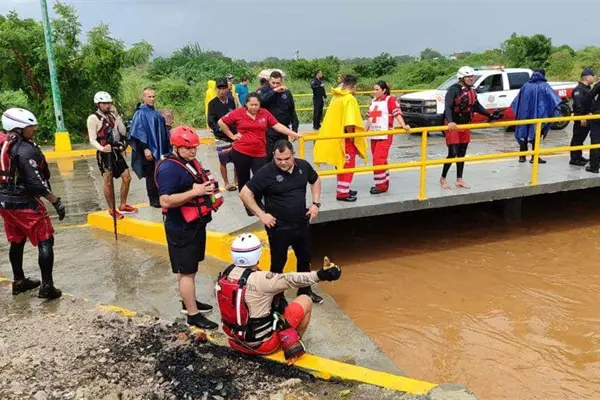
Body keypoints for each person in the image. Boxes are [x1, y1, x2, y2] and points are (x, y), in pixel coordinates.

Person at [215, 233, 342, 363]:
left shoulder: (225, 274)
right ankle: (292, 344)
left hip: (234, 341)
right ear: (258, 255)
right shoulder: (262, 279)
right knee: (305, 299)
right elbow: (291, 279)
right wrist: (321, 275)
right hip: (263, 346)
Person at [155, 125, 223, 330]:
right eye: (187, 148)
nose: (192, 151)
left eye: (194, 147)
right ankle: (193, 315)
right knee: (186, 272)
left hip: (194, 225)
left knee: (189, 269)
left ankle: (189, 302)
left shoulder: (188, 162)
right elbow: (165, 200)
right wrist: (196, 192)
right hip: (181, 228)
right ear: (176, 147)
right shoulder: (169, 169)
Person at [240, 140, 323, 303]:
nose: (283, 163)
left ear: (293, 155)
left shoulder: (303, 166)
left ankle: (305, 290)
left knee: (305, 258)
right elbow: (245, 193)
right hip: (278, 226)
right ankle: (277, 297)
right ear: (273, 156)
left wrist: (315, 203)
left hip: (301, 222)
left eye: (286, 158)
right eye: (279, 159)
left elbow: (315, 180)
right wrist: (261, 214)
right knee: (278, 263)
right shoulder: (266, 172)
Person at [0, 108, 65, 299]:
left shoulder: (4, 144)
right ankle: (47, 287)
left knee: (17, 239)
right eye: (30, 127)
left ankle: (19, 281)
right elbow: (35, 182)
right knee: (45, 239)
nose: (34, 129)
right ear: (18, 128)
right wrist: (55, 201)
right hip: (25, 203)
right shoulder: (24, 149)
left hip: (5, 203)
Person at [217, 93, 304, 215]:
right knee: (243, 179)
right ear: (246, 104)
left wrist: (294, 134)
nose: (254, 107)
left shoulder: (264, 113)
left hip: (260, 152)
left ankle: (257, 202)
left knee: (260, 178)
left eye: (256, 105)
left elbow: (277, 125)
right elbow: (221, 122)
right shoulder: (238, 113)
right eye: (251, 105)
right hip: (241, 152)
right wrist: (232, 136)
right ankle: (248, 205)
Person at [441, 66, 498, 190]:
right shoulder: (453, 90)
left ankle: (459, 179)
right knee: (453, 153)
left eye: (472, 77)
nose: (471, 79)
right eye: (468, 77)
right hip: (453, 126)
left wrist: (489, 115)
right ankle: (443, 178)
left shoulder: (472, 91)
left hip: (466, 125)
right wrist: (450, 121)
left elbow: (476, 106)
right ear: (461, 78)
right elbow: (448, 107)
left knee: (462, 153)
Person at [313, 75, 368, 202]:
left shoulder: (337, 97)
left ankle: (344, 188)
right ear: (354, 86)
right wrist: (352, 137)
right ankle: (342, 193)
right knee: (348, 165)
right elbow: (349, 122)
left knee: (340, 164)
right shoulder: (349, 99)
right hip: (345, 137)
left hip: (337, 136)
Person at [87, 91, 138, 220]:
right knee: (108, 181)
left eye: (108, 103)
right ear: (98, 104)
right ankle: (111, 209)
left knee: (127, 177)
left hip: (115, 151)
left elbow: (122, 132)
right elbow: (92, 139)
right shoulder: (93, 118)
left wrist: (117, 117)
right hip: (104, 154)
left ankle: (123, 205)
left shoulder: (112, 116)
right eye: (104, 103)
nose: (107, 106)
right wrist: (102, 148)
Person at [364, 81, 410, 194]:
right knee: (381, 160)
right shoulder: (373, 101)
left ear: (384, 90)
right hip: (374, 134)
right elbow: (370, 118)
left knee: (378, 160)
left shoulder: (389, 100)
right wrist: (364, 130)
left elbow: (396, 113)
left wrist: (403, 125)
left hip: (385, 135)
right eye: (374, 89)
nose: (375, 92)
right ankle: (383, 183)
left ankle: (380, 186)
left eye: (377, 89)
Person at [129, 87, 171, 208]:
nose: (152, 99)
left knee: (159, 173)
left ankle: (160, 196)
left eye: (153, 96)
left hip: (159, 149)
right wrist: (145, 148)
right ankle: (153, 199)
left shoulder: (155, 112)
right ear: (144, 97)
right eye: (149, 97)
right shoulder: (140, 113)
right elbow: (139, 132)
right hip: (148, 150)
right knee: (151, 174)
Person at [511, 68, 561, 165]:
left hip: (524, 114)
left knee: (523, 132)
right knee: (536, 133)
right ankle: (534, 157)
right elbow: (554, 101)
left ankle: (522, 156)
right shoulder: (545, 86)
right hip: (538, 116)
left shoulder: (525, 86)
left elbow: (517, 101)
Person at [259, 71, 300, 162]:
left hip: (284, 129)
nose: (275, 85)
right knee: (269, 157)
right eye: (273, 83)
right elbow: (261, 101)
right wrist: (274, 91)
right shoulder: (264, 91)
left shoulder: (287, 93)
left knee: (284, 156)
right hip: (269, 130)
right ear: (269, 81)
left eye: (278, 83)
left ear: (281, 82)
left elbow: (292, 111)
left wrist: (294, 129)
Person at [207, 77, 238, 191]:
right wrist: (219, 129)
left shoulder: (232, 101)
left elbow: (235, 116)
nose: (221, 91)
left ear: (228, 89)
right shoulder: (212, 103)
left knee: (237, 159)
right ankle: (226, 183)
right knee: (223, 160)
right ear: (216, 89)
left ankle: (236, 180)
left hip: (234, 135)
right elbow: (211, 121)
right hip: (221, 137)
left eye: (224, 88)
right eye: (219, 88)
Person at [570, 68, 595, 166]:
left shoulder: (586, 88)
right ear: (587, 77)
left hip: (586, 117)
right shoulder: (579, 89)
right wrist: (581, 117)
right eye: (592, 76)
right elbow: (578, 104)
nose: (594, 78)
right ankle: (574, 159)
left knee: (581, 138)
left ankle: (578, 156)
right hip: (581, 118)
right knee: (577, 138)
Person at [585, 72, 600, 173]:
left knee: (595, 141)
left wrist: (592, 109)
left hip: (598, 116)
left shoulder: (598, 85)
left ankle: (594, 166)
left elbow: (589, 96)